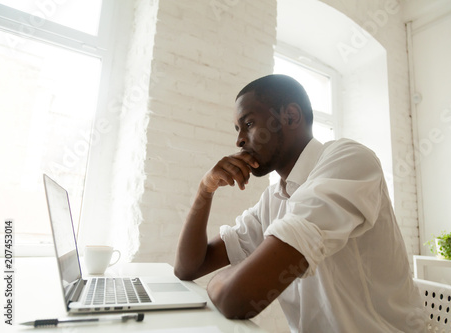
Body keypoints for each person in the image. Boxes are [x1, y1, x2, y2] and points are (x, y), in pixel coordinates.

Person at [174, 74, 424, 332]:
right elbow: (188, 267)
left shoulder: (349, 160)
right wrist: (205, 190)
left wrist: (220, 282)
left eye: (248, 123)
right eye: (237, 129)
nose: (238, 140)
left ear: (291, 117)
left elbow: (236, 299)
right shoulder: (273, 199)